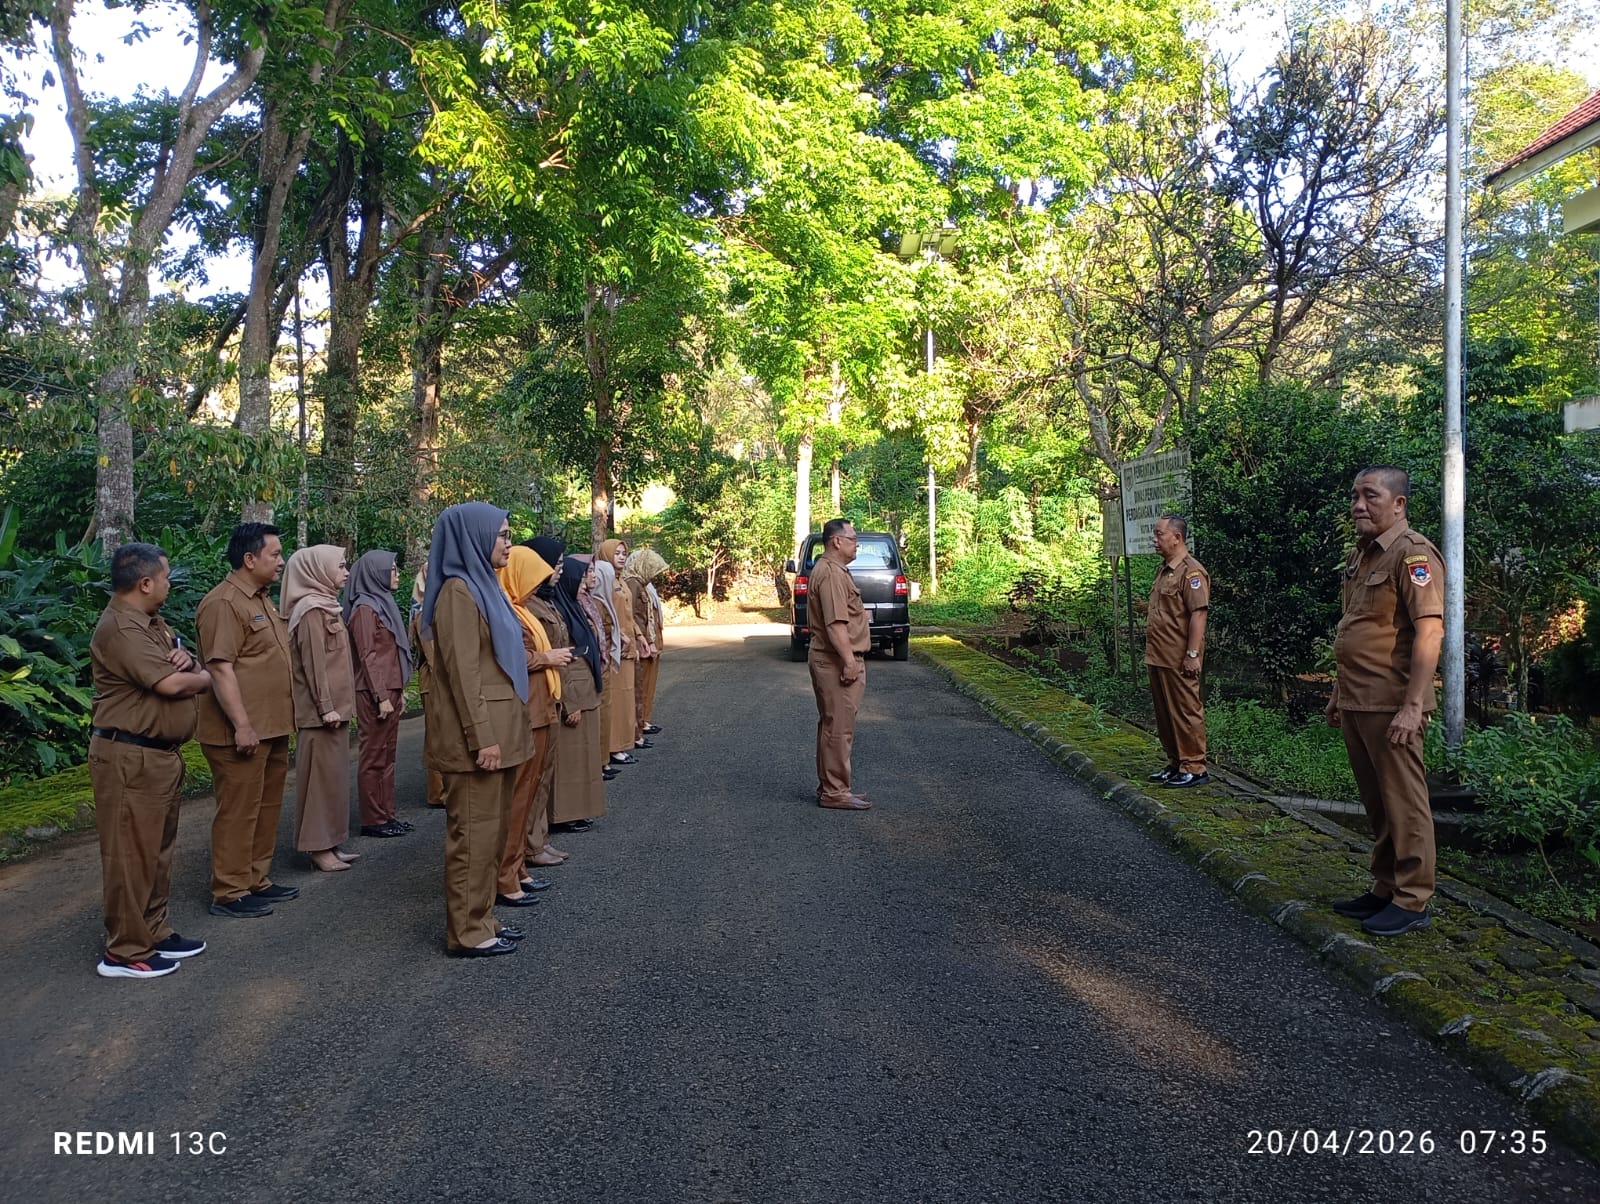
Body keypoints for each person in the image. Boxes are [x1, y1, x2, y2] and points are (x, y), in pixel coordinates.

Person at [1327, 466, 1445, 938]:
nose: (1358, 504)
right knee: (1377, 801)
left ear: (1398, 503)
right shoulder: (1362, 556)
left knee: (1404, 801)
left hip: (1393, 703)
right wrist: (1339, 693)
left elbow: (1429, 631)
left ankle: (1413, 898)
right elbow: (1356, 626)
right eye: (1355, 495)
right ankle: (1384, 886)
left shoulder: (1413, 553)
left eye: (1369, 496)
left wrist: (1413, 706)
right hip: (1359, 698)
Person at [88, 542, 214, 979]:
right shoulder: (121, 629)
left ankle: (154, 929)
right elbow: (170, 684)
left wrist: (191, 663)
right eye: (164, 576)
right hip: (129, 755)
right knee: (130, 855)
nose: (167, 582)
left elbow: (182, 664)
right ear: (144, 583)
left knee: (157, 852)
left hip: (158, 755)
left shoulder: (149, 622)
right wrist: (203, 676)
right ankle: (124, 950)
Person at [421, 503, 533, 957]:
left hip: (501, 734)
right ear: (474, 537)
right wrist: (482, 737)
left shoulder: (486, 587)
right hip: (479, 739)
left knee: (492, 835)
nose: (508, 542)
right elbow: (464, 676)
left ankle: (483, 918)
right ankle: (466, 932)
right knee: (473, 836)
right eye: (502, 534)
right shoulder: (457, 593)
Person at [196, 522, 297, 919]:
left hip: (271, 726)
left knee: (266, 805)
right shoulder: (224, 603)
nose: (281, 561)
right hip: (240, 730)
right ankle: (230, 889)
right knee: (238, 810)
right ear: (249, 558)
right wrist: (241, 724)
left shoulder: (261, 599)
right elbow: (220, 668)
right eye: (275, 554)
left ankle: (257, 877)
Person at [495, 545, 572, 905]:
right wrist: (547, 657)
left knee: (529, 792)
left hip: (542, 707)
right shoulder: (507, 612)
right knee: (518, 794)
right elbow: (512, 658)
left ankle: (518, 866)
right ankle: (507, 874)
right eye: (533, 577)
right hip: (527, 711)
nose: (538, 585)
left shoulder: (522, 611)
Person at [282, 545, 359, 873]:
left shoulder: (327, 605)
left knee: (333, 780)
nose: (344, 573)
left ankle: (331, 842)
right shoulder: (311, 610)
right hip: (320, 715)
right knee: (318, 782)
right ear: (318, 570)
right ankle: (318, 848)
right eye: (340, 567)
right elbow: (315, 665)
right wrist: (326, 707)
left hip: (336, 712)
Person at [346, 549, 413, 838]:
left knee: (388, 755)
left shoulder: (383, 603)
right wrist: (382, 696)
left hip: (390, 689)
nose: (396, 574)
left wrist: (398, 690)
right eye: (392, 569)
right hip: (374, 692)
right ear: (376, 573)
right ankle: (372, 819)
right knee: (373, 755)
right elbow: (367, 656)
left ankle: (387, 814)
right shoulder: (364, 608)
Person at [807, 517, 871, 810]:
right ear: (837, 541)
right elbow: (835, 625)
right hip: (835, 661)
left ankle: (832, 787)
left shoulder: (833, 571)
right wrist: (849, 662)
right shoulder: (831, 573)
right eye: (853, 539)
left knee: (833, 726)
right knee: (838, 729)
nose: (857, 544)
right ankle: (835, 793)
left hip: (832, 659)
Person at [1143, 514, 1211, 789]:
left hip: (1178, 655)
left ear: (1177, 537)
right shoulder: (1164, 570)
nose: (1155, 539)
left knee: (1185, 710)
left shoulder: (1191, 572)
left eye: (1159, 534)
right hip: (1158, 654)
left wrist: (1192, 655)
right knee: (1165, 712)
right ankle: (1175, 762)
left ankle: (1194, 766)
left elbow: (1198, 614)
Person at [541, 556, 607, 831]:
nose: (583, 584)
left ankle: (578, 810)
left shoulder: (573, 606)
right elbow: (563, 657)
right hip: (572, 693)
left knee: (584, 755)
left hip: (585, 688)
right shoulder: (560, 608)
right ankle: (563, 815)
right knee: (569, 759)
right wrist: (570, 703)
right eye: (579, 578)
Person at [594, 539, 640, 767]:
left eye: (624, 553)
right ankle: (613, 746)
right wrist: (619, 636)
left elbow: (629, 615)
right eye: (617, 553)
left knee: (626, 697)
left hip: (628, 646)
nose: (621, 557)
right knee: (616, 698)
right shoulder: (604, 581)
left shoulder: (620, 580)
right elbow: (605, 615)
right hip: (616, 648)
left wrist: (638, 637)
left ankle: (623, 743)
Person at [409, 564, 446, 809]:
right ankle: (438, 792)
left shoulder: (431, 610)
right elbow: (432, 656)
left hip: (437, 682)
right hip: (434, 684)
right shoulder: (425, 614)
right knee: (437, 738)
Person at [623, 548, 666, 745]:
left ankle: (643, 722)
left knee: (647, 685)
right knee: (640, 686)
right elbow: (631, 616)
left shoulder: (643, 584)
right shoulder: (632, 584)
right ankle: (639, 726)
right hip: (642, 644)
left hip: (650, 641)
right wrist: (643, 640)